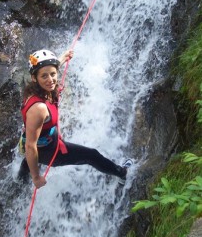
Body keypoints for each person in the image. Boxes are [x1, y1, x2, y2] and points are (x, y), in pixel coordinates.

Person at [19, 49, 132, 189]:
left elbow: (47, 71)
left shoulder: (35, 90)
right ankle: (121, 173)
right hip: (48, 151)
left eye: (53, 74)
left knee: (28, 162)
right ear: (34, 78)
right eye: (44, 76)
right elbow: (31, 146)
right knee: (91, 155)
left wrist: (61, 59)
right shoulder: (39, 109)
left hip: (45, 138)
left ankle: (20, 182)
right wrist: (36, 178)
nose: (50, 80)